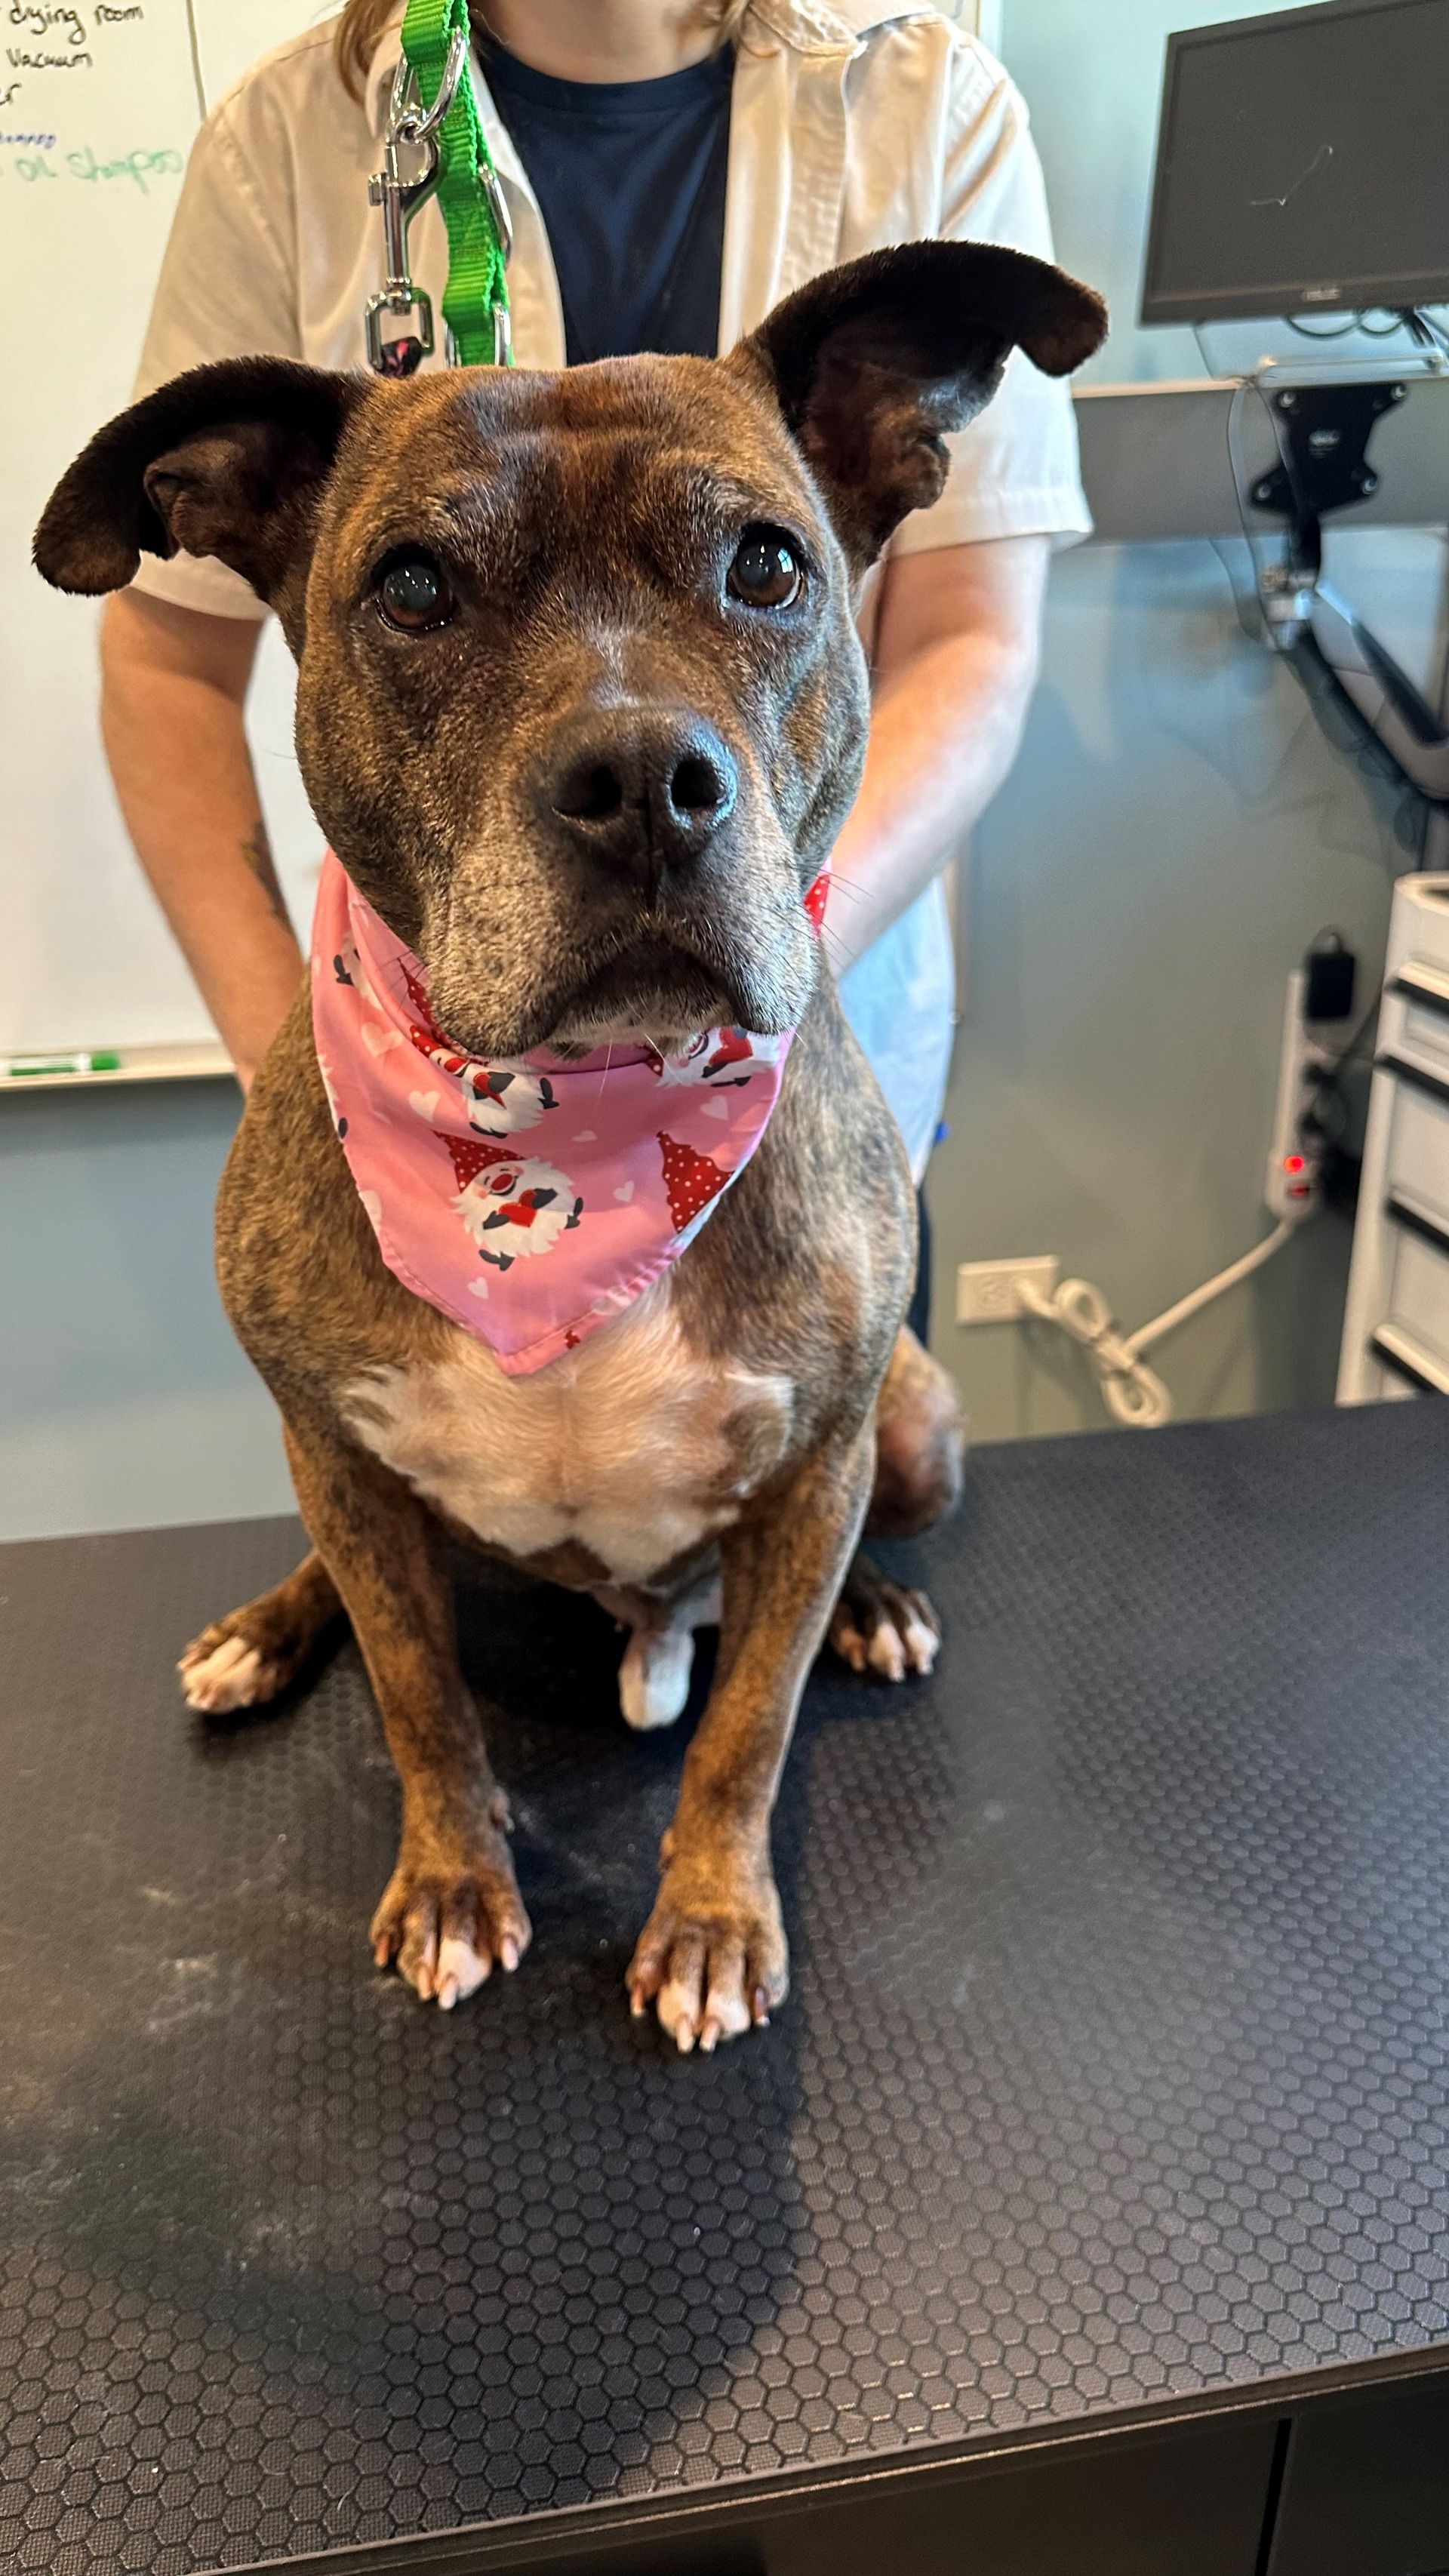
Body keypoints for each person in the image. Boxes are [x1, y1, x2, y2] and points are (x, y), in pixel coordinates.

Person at [101, 0, 1091, 1336]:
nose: (637, 761)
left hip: (798, 1100)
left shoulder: (930, 98)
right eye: (423, 588)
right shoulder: (285, 134)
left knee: (849, 1428)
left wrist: (777, 940)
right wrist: (292, 1058)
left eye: (759, 570)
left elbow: (971, 638)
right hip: (402, 1110)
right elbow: (166, 665)